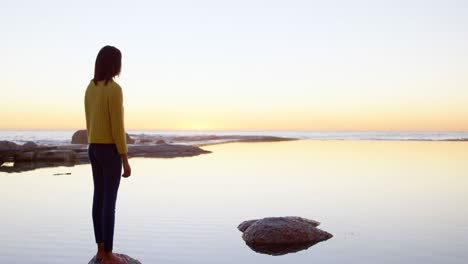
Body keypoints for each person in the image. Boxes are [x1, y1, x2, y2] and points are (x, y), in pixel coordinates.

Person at [85, 45, 131, 264]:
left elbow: (89, 121)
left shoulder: (89, 88)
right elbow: (117, 127)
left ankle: (100, 250)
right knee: (109, 204)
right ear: (114, 64)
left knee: (98, 200)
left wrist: (93, 145)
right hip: (109, 151)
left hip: (93, 148)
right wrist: (125, 159)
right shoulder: (114, 89)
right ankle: (109, 255)